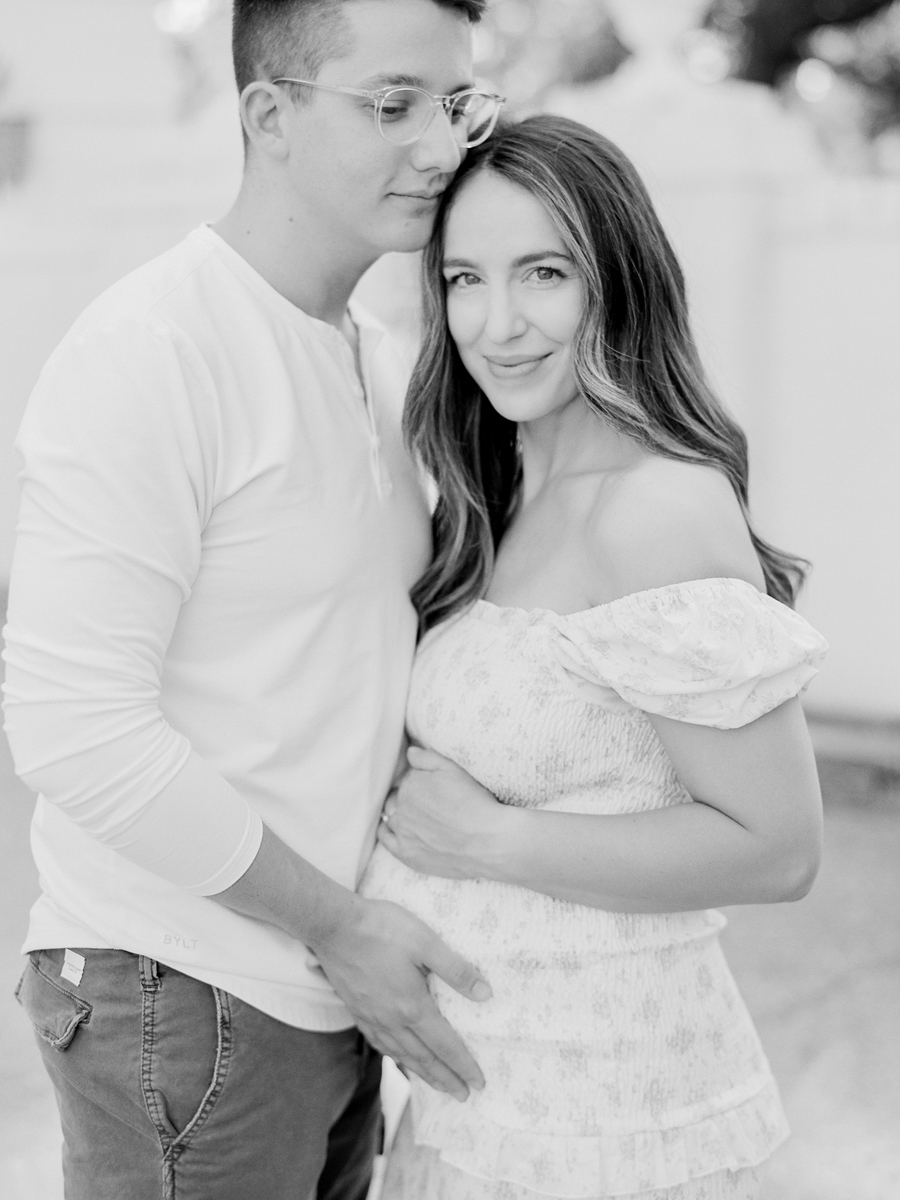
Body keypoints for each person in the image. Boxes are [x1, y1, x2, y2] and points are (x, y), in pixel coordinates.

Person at [1, 2, 506, 1197]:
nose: (441, 148)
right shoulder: (155, 350)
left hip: (328, 996)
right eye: (392, 105)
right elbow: (76, 733)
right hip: (187, 993)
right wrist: (339, 926)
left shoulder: (375, 355)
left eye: (456, 105)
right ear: (267, 116)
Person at [360, 114, 829, 1200]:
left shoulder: (657, 509)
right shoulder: (499, 496)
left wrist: (492, 840)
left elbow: (778, 848)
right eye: (466, 279)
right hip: (482, 1105)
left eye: (544, 274)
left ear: (617, 283)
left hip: (615, 1117)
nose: (499, 323)